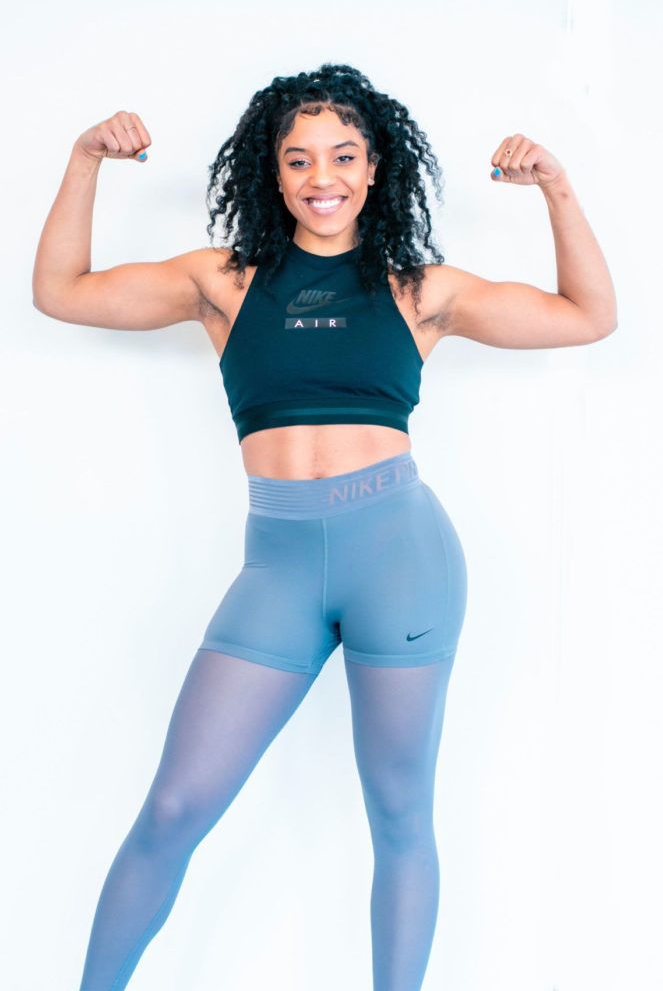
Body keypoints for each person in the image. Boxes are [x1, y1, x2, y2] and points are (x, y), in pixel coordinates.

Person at [32, 62, 617, 991]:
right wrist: (82, 160)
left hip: (401, 560)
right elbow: (60, 291)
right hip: (279, 567)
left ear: (375, 167)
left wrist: (556, 186)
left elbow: (588, 317)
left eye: (343, 155)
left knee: (398, 817)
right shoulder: (224, 282)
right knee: (175, 807)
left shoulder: (417, 290)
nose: (322, 177)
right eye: (298, 158)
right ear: (272, 172)